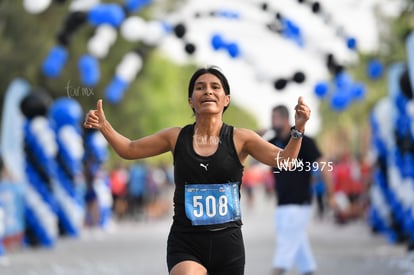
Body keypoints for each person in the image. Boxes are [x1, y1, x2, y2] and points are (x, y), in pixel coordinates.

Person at [84, 66, 311, 275]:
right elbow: (130, 149)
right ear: (191, 100)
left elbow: (285, 161)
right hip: (186, 242)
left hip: (228, 246)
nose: (208, 92)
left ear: (226, 99)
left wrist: (298, 128)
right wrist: (104, 126)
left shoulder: (241, 138)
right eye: (200, 87)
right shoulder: (175, 137)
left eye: (215, 87)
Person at [268, 105, 334, 275]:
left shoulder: (304, 141)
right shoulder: (272, 142)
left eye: (275, 118)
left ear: (285, 119)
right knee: (298, 245)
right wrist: (261, 133)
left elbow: (323, 165)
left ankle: (277, 271)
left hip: (299, 202)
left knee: (286, 244)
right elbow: (251, 147)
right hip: (282, 202)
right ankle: (308, 271)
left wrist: (330, 194)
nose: (272, 122)